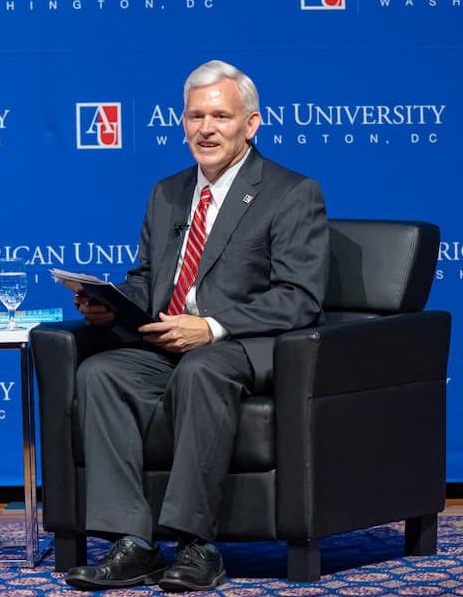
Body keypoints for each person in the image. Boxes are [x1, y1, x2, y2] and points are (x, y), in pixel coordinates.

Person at [64, 61, 329, 592]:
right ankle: (134, 544)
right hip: (168, 345)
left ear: (250, 124)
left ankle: (196, 545)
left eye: (221, 116)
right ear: (182, 122)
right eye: (195, 116)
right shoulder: (168, 193)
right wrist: (111, 304)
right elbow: (148, 279)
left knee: (203, 368)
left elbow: (300, 298)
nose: (206, 128)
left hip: (245, 347)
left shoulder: (290, 192)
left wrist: (211, 326)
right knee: (101, 373)